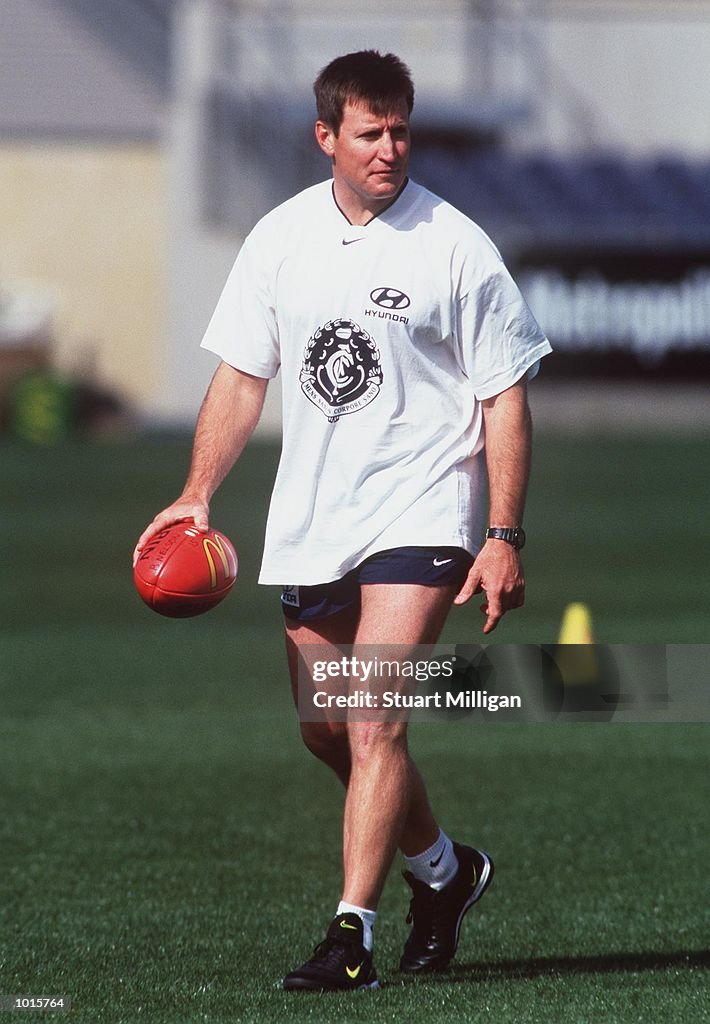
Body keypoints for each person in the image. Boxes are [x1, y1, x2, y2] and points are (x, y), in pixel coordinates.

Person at [134, 50, 551, 991]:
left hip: (424, 507)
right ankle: (444, 872)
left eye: (402, 129)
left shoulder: (456, 244)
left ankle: (351, 932)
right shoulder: (279, 239)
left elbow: (505, 397)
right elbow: (243, 377)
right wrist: (196, 492)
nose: (390, 148)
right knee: (327, 729)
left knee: (372, 719)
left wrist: (502, 533)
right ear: (327, 138)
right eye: (370, 132)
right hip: (316, 514)